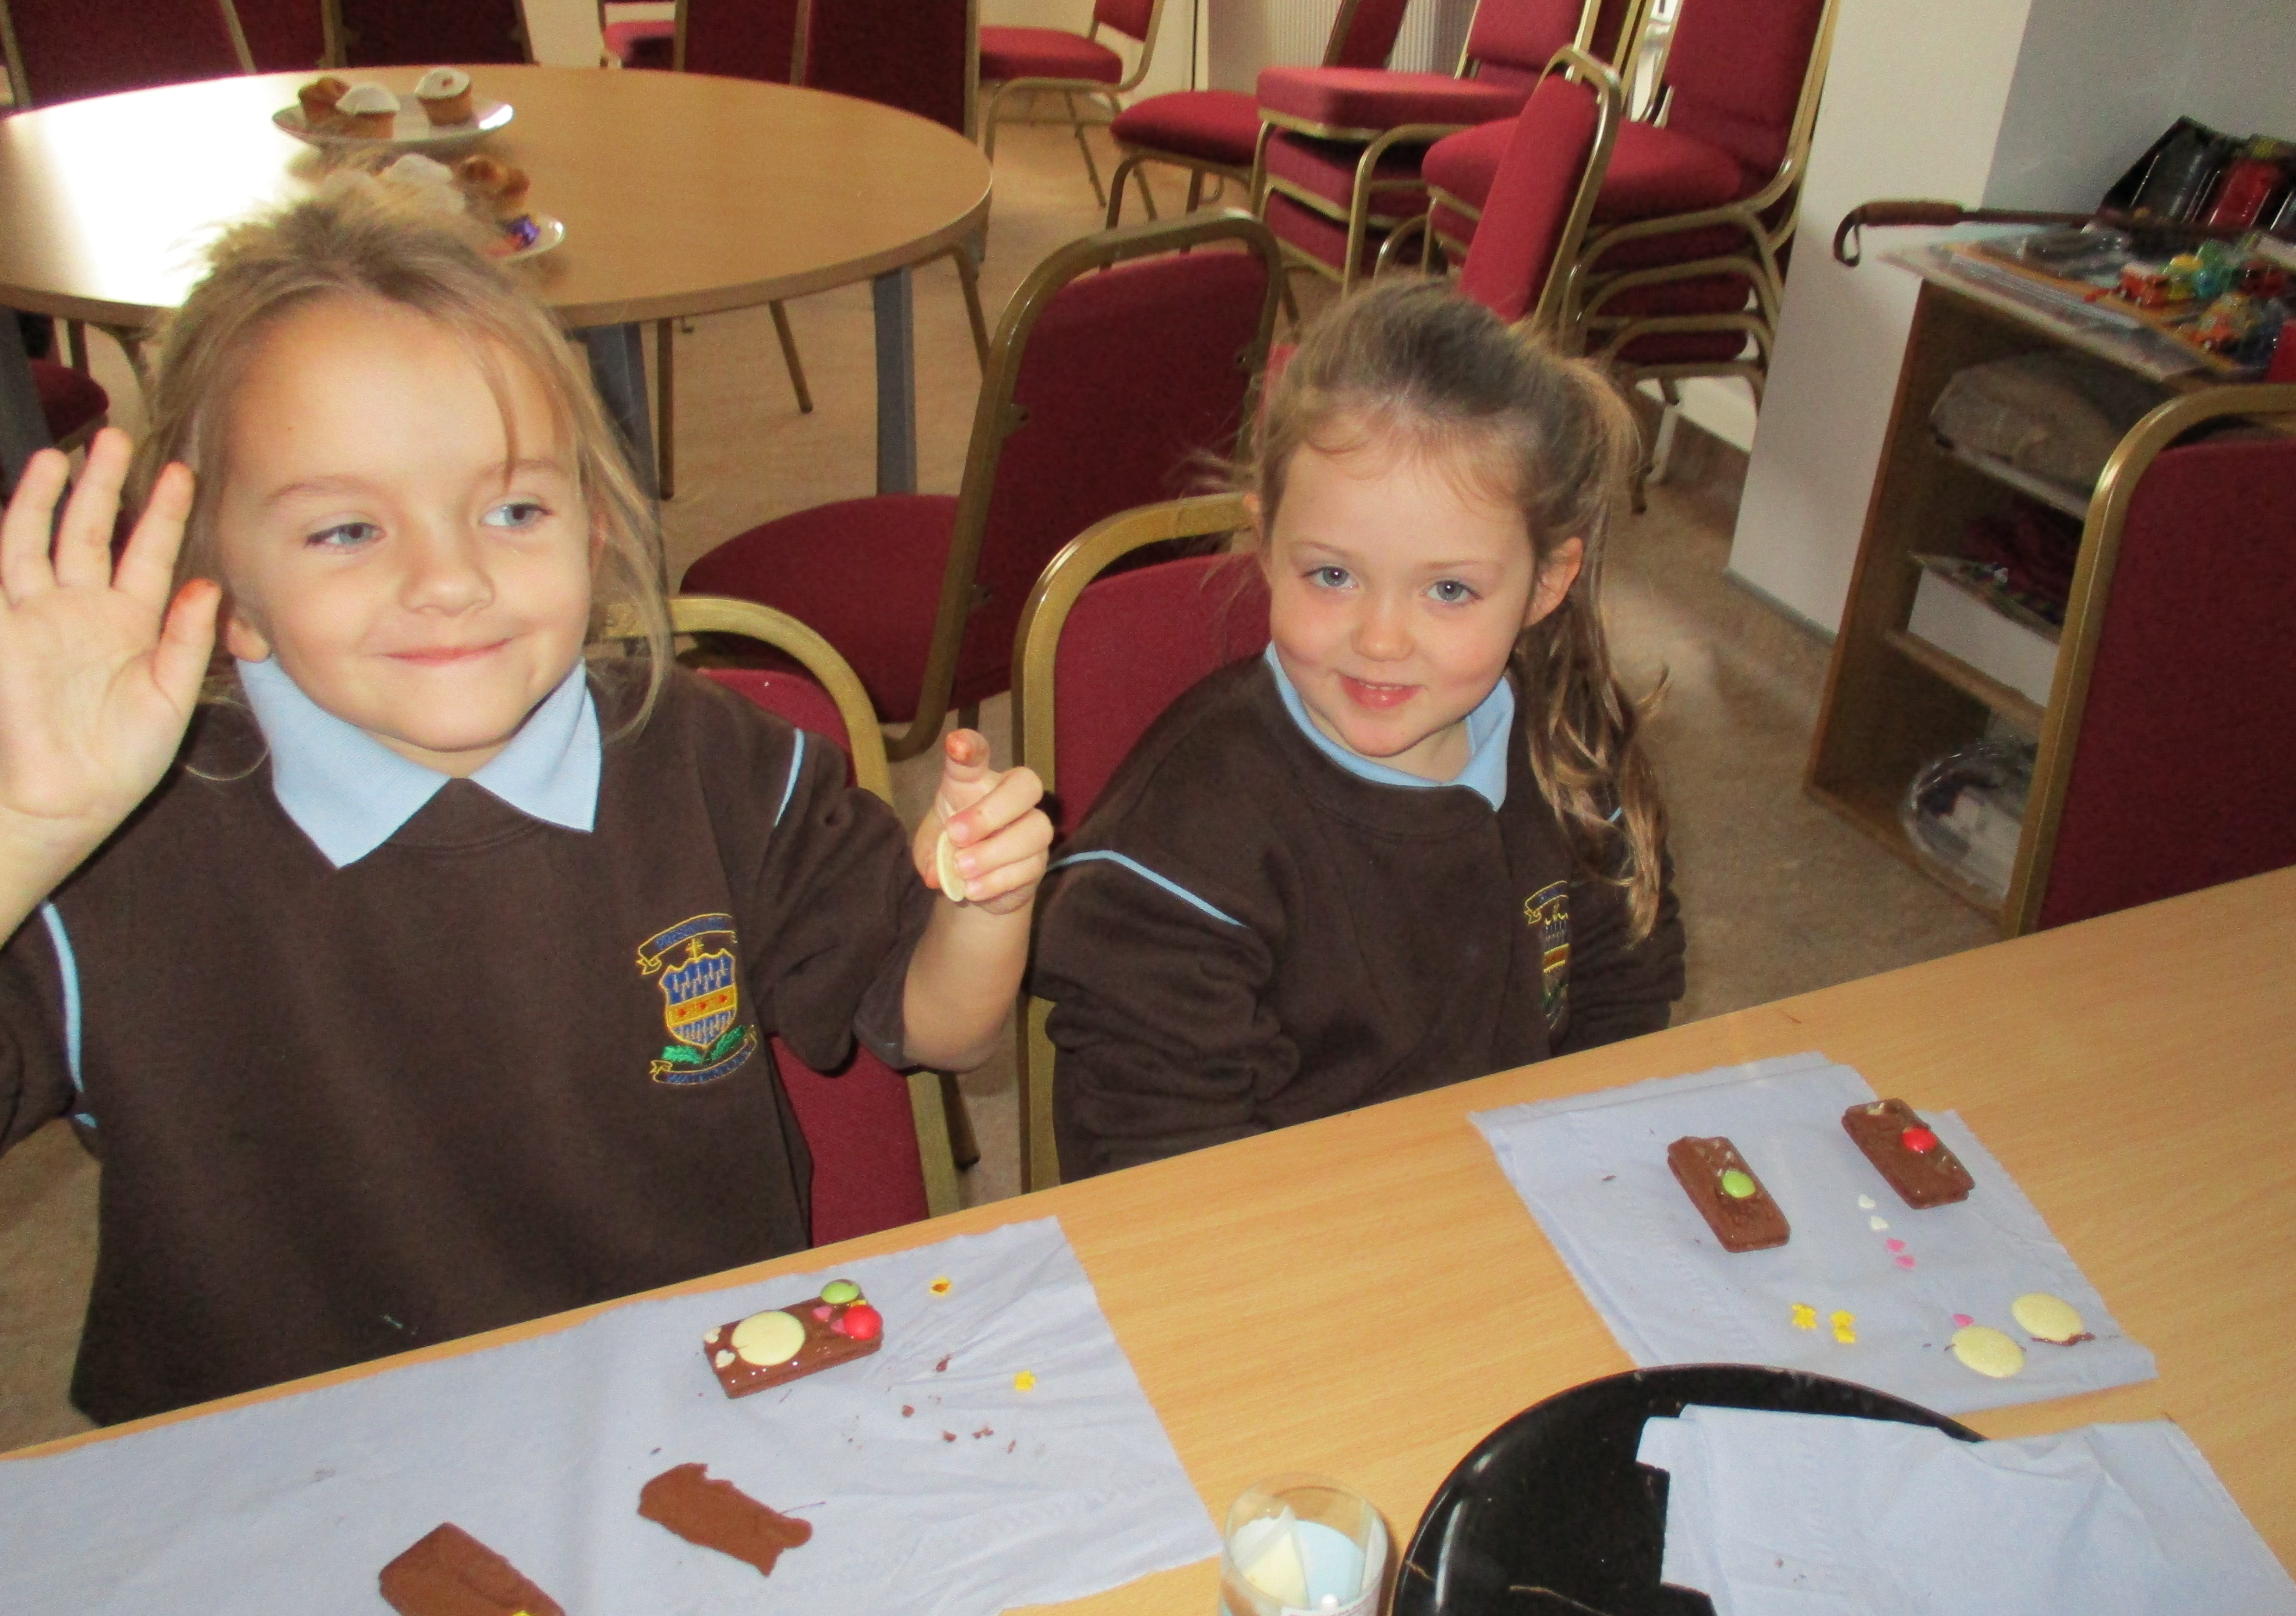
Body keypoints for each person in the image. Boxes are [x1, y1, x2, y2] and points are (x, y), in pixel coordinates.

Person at [0, 183, 1050, 1425]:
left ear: (594, 536)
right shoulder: (116, 849)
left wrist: (982, 905)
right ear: (222, 590)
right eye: (346, 531)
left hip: (682, 1415)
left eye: (513, 510)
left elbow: (940, 1027)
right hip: (277, 1468)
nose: (450, 579)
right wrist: (24, 836)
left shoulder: (720, 766)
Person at [1032, 280, 1684, 1180]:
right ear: (1268, 544)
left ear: (1545, 583)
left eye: (1448, 589)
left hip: (1506, 1201)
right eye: (1333, 576)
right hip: (1279, 1232)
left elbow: (1622, 1002)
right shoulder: (1190, 837)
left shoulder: (1569, 750)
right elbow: (1154, 1164)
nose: (1381, 640)